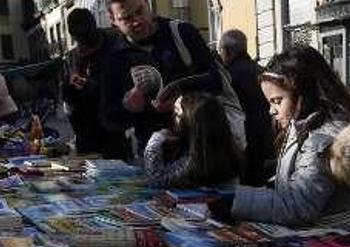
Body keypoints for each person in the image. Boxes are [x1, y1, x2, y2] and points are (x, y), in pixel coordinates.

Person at [230, 46, 350, 228]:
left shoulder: (323, 137)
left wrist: (231, 198)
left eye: (277, 101)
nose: (271, 110)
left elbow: (298, 205)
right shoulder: (304, 123)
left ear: (304, 94)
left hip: (334, 239)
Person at [100, 0, 240, 155]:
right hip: (155, 153)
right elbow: (109, 119)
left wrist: (180, 100)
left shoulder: (181, 32)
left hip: (202, 148)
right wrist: (127, 107)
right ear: (112, 20)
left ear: (148, 5)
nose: (137, 21)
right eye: (126, 18)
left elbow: (215, 82)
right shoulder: (113, 57)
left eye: (140, 11)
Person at [61, 8, 129, 159]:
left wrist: (94, 86)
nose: (83, 46)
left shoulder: (115, 46)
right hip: (85, 135)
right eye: (79, 40)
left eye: (85, 40)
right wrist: (71, 86)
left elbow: (124, 85)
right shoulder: (72, 58)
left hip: (113, 133)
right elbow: (67, 99)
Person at [143, 92, 241, 188]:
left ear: (190, 123)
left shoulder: (194, 161)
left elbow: (157, 180)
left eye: (177, 115)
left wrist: (155, 142)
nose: (173, 119)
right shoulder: (229, 152)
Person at [219, 29, 276, 186]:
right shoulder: (262, 71)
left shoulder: (227, 77)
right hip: (267, 142)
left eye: (221, 50)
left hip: (242, 145)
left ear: (228, 51)